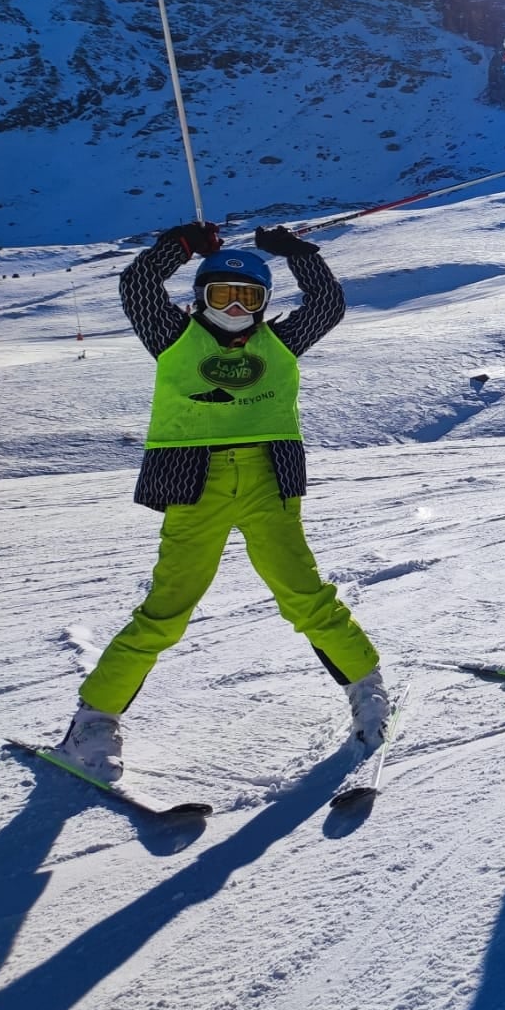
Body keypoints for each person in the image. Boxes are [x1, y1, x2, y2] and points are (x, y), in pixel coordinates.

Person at [58, 222, 390, 783]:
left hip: (267, 479)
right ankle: (93, 723)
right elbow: (138, 282)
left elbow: (327, 304)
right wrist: (182, 247)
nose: (235, 307)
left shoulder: (280, 340)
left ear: (263, 305)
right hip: (196, 481)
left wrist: (296, 253)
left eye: (248, 297)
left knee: (306, 595)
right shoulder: (172, 335)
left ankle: (368, 691)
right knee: (166, 609)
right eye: (222, 295)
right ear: (199, 298)